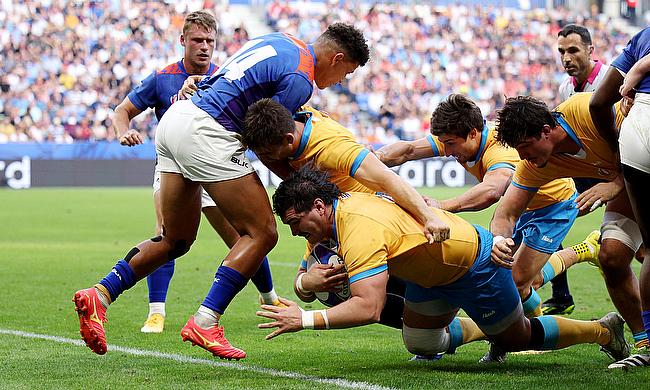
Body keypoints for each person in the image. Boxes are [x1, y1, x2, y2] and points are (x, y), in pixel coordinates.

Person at [73, 22, 372, 360]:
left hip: (177, 119)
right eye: (345, 74)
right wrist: (300, 184)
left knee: (176, 239)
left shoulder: (282, 40)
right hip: (209, 131)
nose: (341, 82)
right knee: (262, 232)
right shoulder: (300, 80)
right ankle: (206, 320)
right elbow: (266, 143)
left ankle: (101, 294)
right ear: (337, 58)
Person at [256, 166, 629, 364]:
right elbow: (305, 278)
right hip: (429, 276)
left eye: (295, 223)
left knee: (515, 338)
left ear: (319, 207)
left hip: (472, 265)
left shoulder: (359, 225)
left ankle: (601, 330)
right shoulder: (325, 225)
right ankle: (490, 327)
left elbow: (370, 307)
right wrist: (306, 283)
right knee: (420, 342)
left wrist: (303, 320)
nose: (294, 233)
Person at [375, 94, 599, 362]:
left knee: (516, 280)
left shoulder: (498, 150)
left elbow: (493, 190)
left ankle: (581, 252)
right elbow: (408, 150)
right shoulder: (455, 134)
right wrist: (369, 160)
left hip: (553, 206)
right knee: (512, 277)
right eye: (443, 144)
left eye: (450, 144)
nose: (446, 152)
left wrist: (441, 206)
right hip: (518, 207)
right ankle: (515, 328)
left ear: (472, 134)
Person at [112, 10, 283, 335]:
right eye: (197, 40)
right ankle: (156, 313)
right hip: (175, 164)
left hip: (215, 162)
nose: (204, 47)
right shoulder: (163, 78)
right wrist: (123, 131)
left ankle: (269, 298)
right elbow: (123, 110)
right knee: (168, 234)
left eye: (210, 41)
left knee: (242, 235)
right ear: (183, 41)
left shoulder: (228, 76)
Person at [242, 98, 451, 356]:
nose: (265, 161)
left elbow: (386, 179)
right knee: (324, 273)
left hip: (377, 227)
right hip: (341, 224)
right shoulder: (316, 207)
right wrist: (306, 283)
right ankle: (439, 328)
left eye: (266, 154)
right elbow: (305, 279)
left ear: (287, 140)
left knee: (402, 296)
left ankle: (445, 321)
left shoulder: (331, 146)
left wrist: (428, 216)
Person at [492, 92, 646, 360]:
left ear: (545, 131)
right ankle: (645, 343)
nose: (523, 156)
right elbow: (506, 213)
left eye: (525, 146)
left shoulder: (585, 111)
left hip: (637, 176)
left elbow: (642, 139)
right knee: (611, 257)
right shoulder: (533, 164)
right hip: (630, 188)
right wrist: (498, 240)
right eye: (517, 149)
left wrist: (617, 183)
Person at [589, 27, 650, 368]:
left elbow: (600, 101)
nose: (567, 58)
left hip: (637, 136)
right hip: (631, 149)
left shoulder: (640, 40)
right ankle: (647, 341)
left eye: (573, 51)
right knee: (613, 255)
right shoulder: (565, 94)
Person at [545, 24, 612, 315]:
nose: (566, 58)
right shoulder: (565, 87)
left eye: (573, 50)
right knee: (550, 212)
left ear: (590, 50)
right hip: (587, 167)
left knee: (633, 245)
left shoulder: (611, 80)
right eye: (561, 52)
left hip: (620, 168)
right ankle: (561, 295)